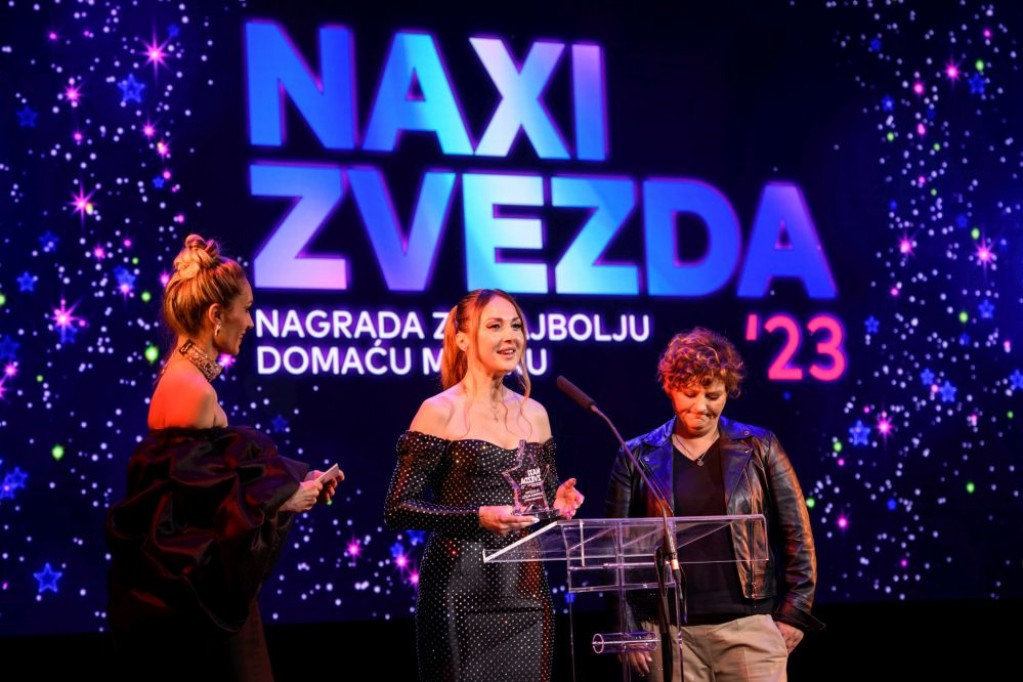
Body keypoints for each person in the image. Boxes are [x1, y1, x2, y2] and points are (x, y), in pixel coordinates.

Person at [104, 234, 341, 682]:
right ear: (216, 315)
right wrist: (285, 501)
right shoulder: (191, 391)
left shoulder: (188, 380)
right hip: (198, 615)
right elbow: (201, 515)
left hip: (201, 604)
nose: (250, 321)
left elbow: (218, 483)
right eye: (245, 309)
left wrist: (291, 486)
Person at [384, 288, 585, 682]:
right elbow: (398, 507)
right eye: (495, 326)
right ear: (463, 340)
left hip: (526, 593)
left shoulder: (535, 413)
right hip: (459, 590)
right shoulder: (439, 411)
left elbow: (535, 509)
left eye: (516, 326)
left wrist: (556, 505)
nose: (510, 336)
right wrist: (477, 517)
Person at [606, 327, 823, 682]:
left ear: (728, 391)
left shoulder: (760, 447)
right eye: (690, 393)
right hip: (668, 635)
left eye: (713, 395)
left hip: (749, 629)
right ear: (670, 387)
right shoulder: (636, 456)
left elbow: (797, 535)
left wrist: (794, 614)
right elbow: (616, 554)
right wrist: (627, 627)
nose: (701, 407)